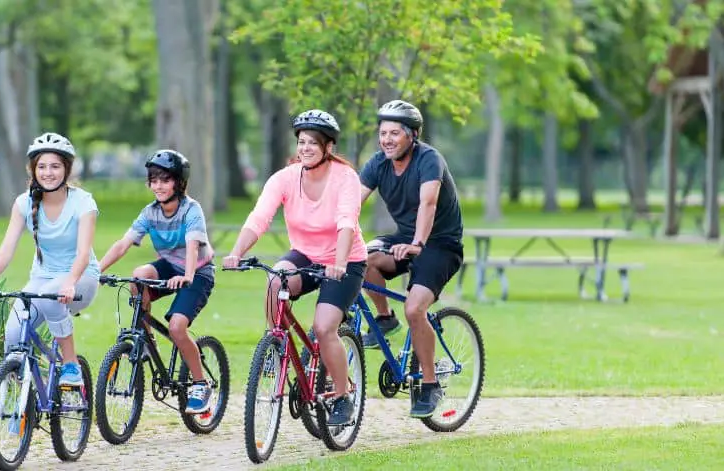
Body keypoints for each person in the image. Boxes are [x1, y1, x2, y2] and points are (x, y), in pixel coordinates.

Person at [222, 109, 367, 426]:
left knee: (325, 326)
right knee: (276, 280)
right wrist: (236, 252)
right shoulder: (285, 178)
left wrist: (340, 263)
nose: (305, 148)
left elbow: (346, 223)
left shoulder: (346, 179)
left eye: (313, 143)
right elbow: (259, 218)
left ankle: (342, 396)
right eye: (301, 142)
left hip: (345, 260)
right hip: (304, 253)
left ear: (328, 147)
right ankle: (276, 344)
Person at [359, 99, 464, 418]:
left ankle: (430, 386)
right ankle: (384, 319)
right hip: (404, 237)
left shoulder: (429, 160)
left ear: (412, 135)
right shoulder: (377, 164)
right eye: (382, 133)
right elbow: (351, 203)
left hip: (440, 243)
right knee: (363, 260)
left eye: (394, 133)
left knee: (415, 308)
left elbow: (428, 204)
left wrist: (418, 242)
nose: (386, 140)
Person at [0, 132, 100, 387]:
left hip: (81, 278)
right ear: (33, 169)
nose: (48, 172)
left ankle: (71, 364)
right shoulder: (23, 203)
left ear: (66, 169)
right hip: (41, 280)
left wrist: (70, 282)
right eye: (41, 166)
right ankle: (24, 401)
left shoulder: (83, 202)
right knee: (13, 335)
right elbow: (7, 247)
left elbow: (84, 253)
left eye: (55, 166)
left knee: (51, 298)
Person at [98, 149, 216, 415]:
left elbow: (192, 245)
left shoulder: (191, 210)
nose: (158, 186)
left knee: (176, 328)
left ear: (179, 182)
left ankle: (200, 384)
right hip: (170, 267)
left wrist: (186, 276)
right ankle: (146, 341)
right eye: (154, 180)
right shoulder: (149, 212)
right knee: (138, 275)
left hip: (197, 271)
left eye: (165, 179)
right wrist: (96, 271)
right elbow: (122, 244)